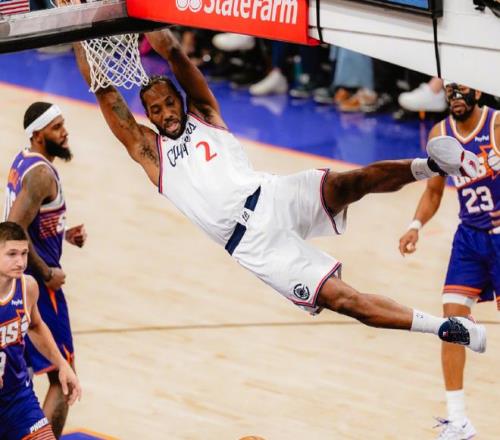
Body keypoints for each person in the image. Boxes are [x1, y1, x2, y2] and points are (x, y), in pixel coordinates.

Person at [74, 29, 486, 358]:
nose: (165, 113)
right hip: (254, 246)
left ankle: (433, 165)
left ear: (180, 101)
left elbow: (175, 53)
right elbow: (104, 92)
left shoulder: (204, 114)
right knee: (345, 300)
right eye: (156, 110)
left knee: (348, 183)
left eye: (169, 103)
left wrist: (145, 15)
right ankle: (447, 327)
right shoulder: (152, 154)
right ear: (148, 117)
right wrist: (77, 31)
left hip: (272, 194)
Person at [399, 82, 499, 439]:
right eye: (450, 89)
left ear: (479, 91)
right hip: (469, 237)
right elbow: (433, 191)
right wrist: (415, 226)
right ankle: (458, 421)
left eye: (462, 89)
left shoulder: (496, 125)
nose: (456, 95)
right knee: (452, 324)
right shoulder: (441, 134)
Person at [4, 102, 87, 438]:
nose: (64, 133)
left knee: (20, 373)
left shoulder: (23, 161)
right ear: (38, 135)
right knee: (63, 377)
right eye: (56, 128)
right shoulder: (41, 175)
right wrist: (47, 272)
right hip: (38, 286)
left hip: (21, 279)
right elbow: (14, 226)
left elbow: (29, 220)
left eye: (63, 124)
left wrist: (62, 234)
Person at [0, 221, 81, 439]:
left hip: (18, 400)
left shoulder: (28, 287)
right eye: (12, 254)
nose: (20, 262)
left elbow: (36, 325)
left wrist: (62, 364)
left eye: (24, 253)